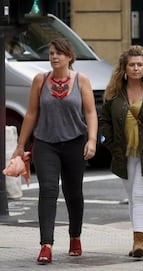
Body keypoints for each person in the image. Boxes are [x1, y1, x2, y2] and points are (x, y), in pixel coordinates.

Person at [11, 38, 98, 264]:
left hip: (74, 142)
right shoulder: (40, 80)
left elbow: (90, 112)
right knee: (48, 190)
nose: (54, 57)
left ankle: (75, 236)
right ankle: (46, 245)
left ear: (69, 57)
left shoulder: (81, 80)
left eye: (59, 53)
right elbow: (31, 114)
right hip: (45, 143)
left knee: (73, 193)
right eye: (51, 53)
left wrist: (91, 140)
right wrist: (20, 146)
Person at [99, 45, 143, 258]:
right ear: (124, 68)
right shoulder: (115, 93)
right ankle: (142, 240)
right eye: (131, 65)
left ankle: (138, 240)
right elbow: (105, 120)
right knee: (134, 198)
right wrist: (109, 142)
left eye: (139, 65)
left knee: (140, 195)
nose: (136, 68)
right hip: (124, 154)